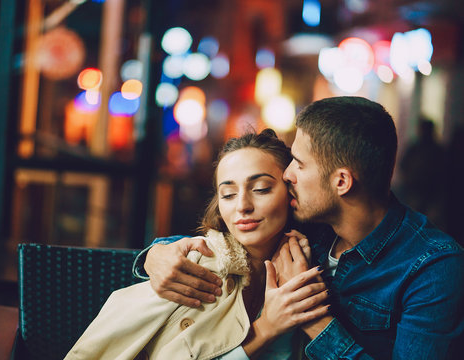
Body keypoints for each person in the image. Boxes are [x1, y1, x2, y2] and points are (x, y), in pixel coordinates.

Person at [139, 96, 464, 359]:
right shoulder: (311, 225)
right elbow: (229, 241)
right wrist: (156, 254)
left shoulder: (433, 268)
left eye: (300, 163)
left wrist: (310, 316)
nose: (288, 174)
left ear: (341, 181)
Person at [65, 129, 329, 360]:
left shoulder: (313, 263)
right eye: (228, 194)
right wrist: (267, 329)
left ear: (291, 194)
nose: (242, 206)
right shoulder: (199, 267)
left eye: (260, 189)